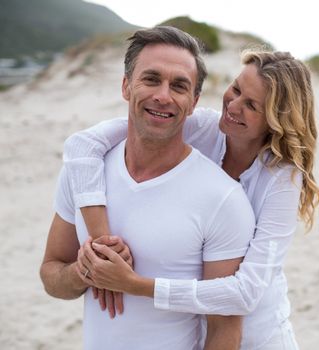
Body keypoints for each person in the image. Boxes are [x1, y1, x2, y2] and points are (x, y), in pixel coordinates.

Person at [64, 47, 319, 349]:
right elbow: (82, 145)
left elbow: (246, 293)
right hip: (202, 333)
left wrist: (134, 285)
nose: (233, 105)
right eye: (236, 89)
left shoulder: (282, 180)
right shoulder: (203, 128)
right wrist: (104, 245)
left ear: (275, 120)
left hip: (260, 336)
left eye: (251, 105)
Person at [40, 26, 256, 350]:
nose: (163, 96)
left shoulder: (223, 198)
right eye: (151, 79)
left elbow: (224, 327)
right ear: (126, 86)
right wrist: (84, 271)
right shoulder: (85, 173)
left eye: (179, 86)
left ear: (194, 101)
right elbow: (51, 274)